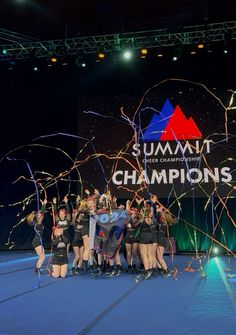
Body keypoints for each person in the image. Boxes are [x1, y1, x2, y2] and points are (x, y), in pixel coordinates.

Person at [26, 198, 47, 274]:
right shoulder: (38, 223)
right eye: (39, 214)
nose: (40, 213)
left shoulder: (37, 223)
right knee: (42, 257)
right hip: (37, 241)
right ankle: (37, 269)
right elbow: (42, 214)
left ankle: (37, 268)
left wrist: (42, 205)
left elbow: (41, 213)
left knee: (41, 256)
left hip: (37, 241)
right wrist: (44, 204)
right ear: (37, 217)